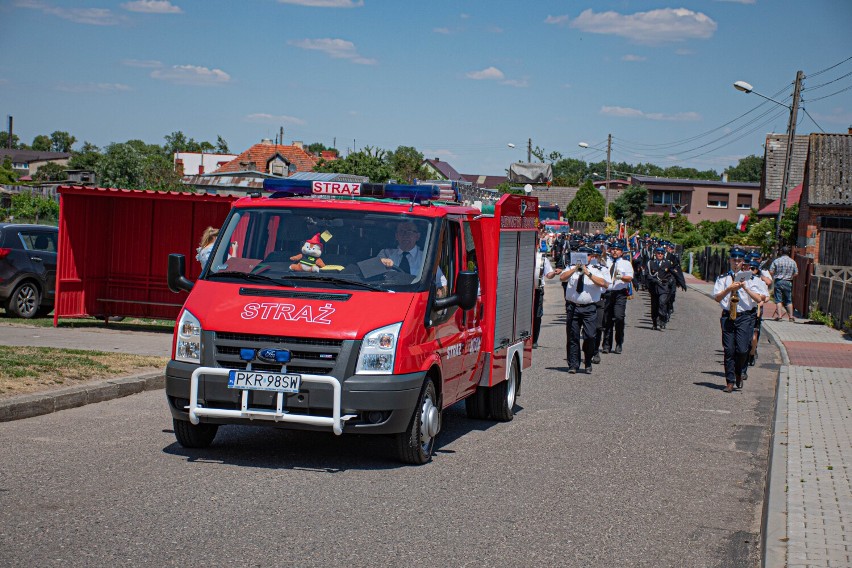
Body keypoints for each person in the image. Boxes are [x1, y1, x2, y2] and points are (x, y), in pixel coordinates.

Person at [713, 248, 768, 392]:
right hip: (728, 316)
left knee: (743, 349)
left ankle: (739, 372)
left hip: (745, 317)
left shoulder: (753, 280)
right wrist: (728, 289)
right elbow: (717, 298)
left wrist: (746, 288)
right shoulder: (723, 278)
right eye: (734, 260)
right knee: (729, 350)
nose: (736, 263)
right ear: (730, 260)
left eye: (739, 260)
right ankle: (730, 381)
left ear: (743, 262)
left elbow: (759, 300)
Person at [559, 246, 612, 374]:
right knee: (573, 337)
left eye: (587, 255)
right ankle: (573, 364)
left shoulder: (598, 269)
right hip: (573, 307)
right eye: (581, 254)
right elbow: (562, 278)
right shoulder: (571, 267)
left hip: (589, 307)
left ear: (591, 256)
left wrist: (588, 273)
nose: (584, 257)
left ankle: (588, 360)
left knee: (590, 336)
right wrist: (574, 270)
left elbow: (605, 284)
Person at [377, 220, 447, 292]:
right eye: (401, 231)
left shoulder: (426, 258)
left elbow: (442, 285)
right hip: (387, 297)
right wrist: (379, 263)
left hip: (416, 299)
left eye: (409, 231)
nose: (405, 235)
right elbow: (366, 272)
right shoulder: (386, 254)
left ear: (417, 236)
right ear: (396, 236)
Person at [602, 243, 634, 354]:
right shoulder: (606, 262)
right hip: (607, 293)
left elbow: (629, 278)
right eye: (613, 249)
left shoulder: (626, 263)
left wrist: (620, 276)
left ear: (622, 252)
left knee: (619, 317)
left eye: (618, 249)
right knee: (607, 320)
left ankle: (619, 341)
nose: (615, 251)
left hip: (620, 294)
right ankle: (606, 344)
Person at [533, 248, 561, 348]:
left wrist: (554, 273)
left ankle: (534, 340)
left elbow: (548, 275)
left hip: (537, 290)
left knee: (537, 315)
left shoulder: (542, 258)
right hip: (523, 290)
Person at [647, 247, 676, 330]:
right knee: (654, 306)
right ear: (655, 254)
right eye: (658, 253)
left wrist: (674, 282)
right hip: (654, 287)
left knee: (662, 302)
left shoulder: (667, 263)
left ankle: (663, 319)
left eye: (662, 254)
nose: (660, 255)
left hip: (664, 287)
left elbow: (673, 273)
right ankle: (654, 323)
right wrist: (654, 280)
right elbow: (647, 274)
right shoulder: (650, 263)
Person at [769, 246, 799, 322]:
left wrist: (775, 275)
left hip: (778, 281)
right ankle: (791, 317)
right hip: (788, 281)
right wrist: (790, 276)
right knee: (788, 300)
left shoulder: (777, 261)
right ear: (788, 252)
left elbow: (771, 271)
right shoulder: (793, 262)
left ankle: (779, 317)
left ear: (781, 252)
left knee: (778, 300)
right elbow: (796, 273)